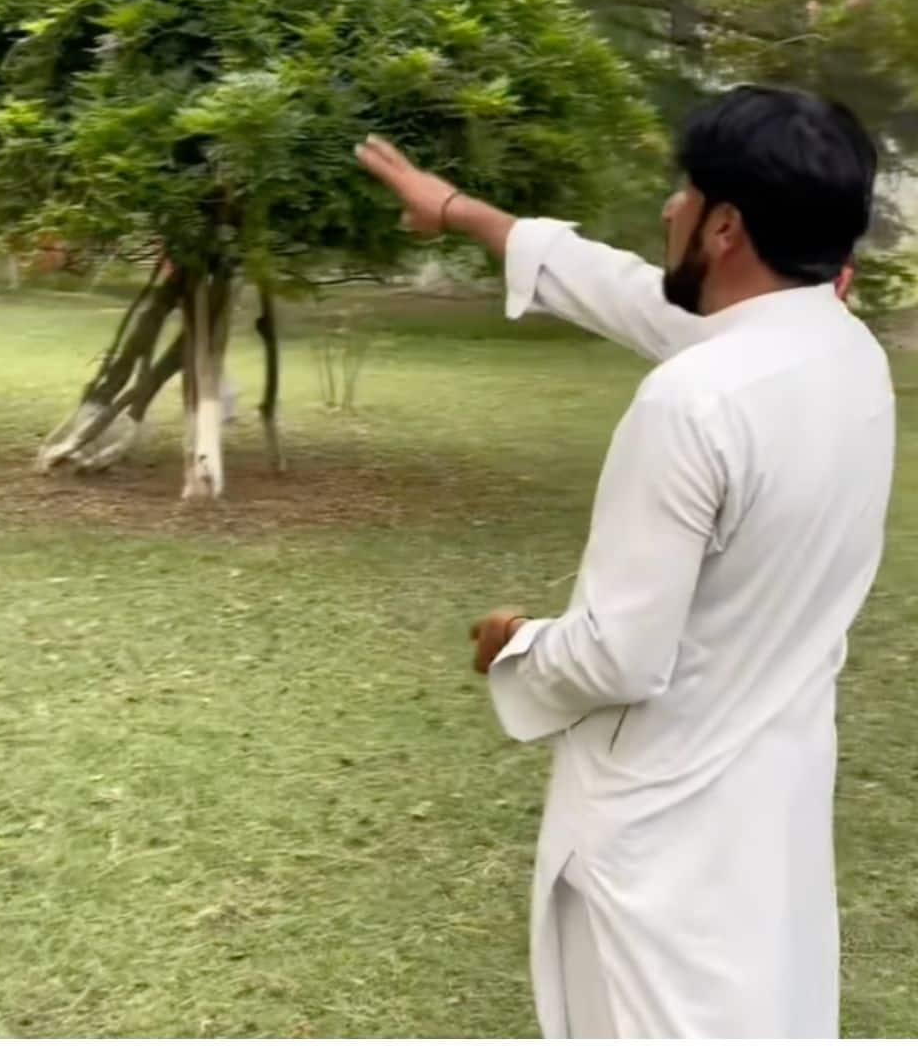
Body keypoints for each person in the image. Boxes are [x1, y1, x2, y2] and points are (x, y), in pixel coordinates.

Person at [357, 85, 890, 1038]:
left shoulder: (694, 403)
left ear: (724, 226)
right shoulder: (844, 356)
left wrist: (514, 647)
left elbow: (618, 657)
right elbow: (638, 297)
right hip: (769, 819)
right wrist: (465, 214)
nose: (667, 211)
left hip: (657, 846)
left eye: (684, 195)